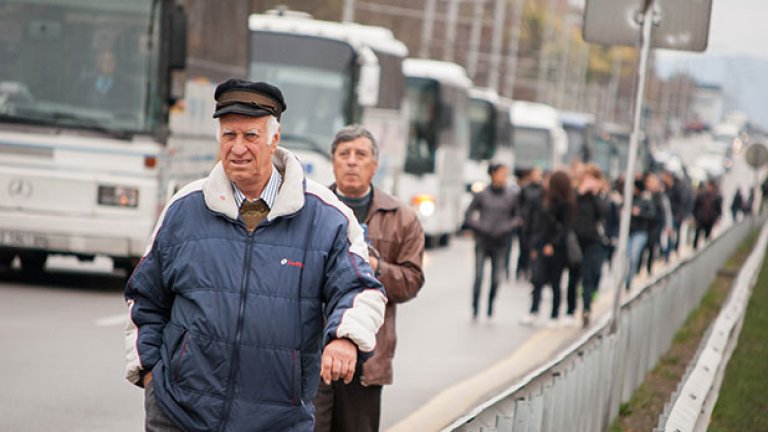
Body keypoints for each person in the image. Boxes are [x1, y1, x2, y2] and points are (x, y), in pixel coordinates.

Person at [124, 79, 387, 432]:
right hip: (179, 414)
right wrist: (150, 374)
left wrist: (345, 337)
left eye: (250, 136)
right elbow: (144, 297)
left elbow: (362, 289)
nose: (238, 148)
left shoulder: (326, 216)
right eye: (228, 135)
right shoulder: (184, 208)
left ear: (274, 139)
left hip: (278, 420)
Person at [314, 125, 425, 432]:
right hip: (313, 354)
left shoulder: (400, 217)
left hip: (368, 357)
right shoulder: (312, 209)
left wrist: (376, 267)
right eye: (344, 154)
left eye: (360, 154)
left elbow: (412, 280)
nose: (352, 161)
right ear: (333, 162)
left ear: (374, 165)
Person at [463, 163, 519, 319]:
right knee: (479, 276)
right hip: (483, 240)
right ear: (493, 174)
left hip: (500, 242)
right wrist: (480, 226)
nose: (504, 177)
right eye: (501, 174)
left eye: (506, 174)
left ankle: (490, 304)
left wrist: (507, 227)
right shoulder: (482, 195)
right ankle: (475, 307)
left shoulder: (511, 196)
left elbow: (517, 217)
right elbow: (468, 215)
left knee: (496, 278)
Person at [520, 170, 573, 327]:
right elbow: (533, 223)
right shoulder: (539, 199)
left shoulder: (565, 203)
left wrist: (553, 244)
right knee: (537, 280)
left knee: (556, 282)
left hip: (557, 249)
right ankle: (533, 310)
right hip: (540, 245)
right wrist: (533, 245)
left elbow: (566, 228)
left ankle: (554, 315)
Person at [566, 164, 609, 327]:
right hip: (576, 241)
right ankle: (570, 310)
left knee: (590, 275)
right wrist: (581, 192)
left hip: (594, 241)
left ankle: (586, 308)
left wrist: (595, 194)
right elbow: (568, 210)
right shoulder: (575, 194)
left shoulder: (601, 196)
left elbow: (604, 213)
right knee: (574, 277)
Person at [515, 167, 544, 280]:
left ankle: (530, 269)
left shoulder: (542, 189)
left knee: (533, 247)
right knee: (523, 247)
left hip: (537, 222)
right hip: (525, 220)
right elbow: (518, 204)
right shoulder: (525, 188)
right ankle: (521, 268)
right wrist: (520, 217)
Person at [692, 180, 723, 249]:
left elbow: (719, 209)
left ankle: (705, 248)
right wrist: (695, 217)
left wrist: (717, 218)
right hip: (701, 218)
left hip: (710, 220)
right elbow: (695, 206)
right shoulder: (701, 195)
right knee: (697, 233)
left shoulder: (716, 197)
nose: (709, 188)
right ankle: (694, 248)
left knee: (707, 236)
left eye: (710, 186)